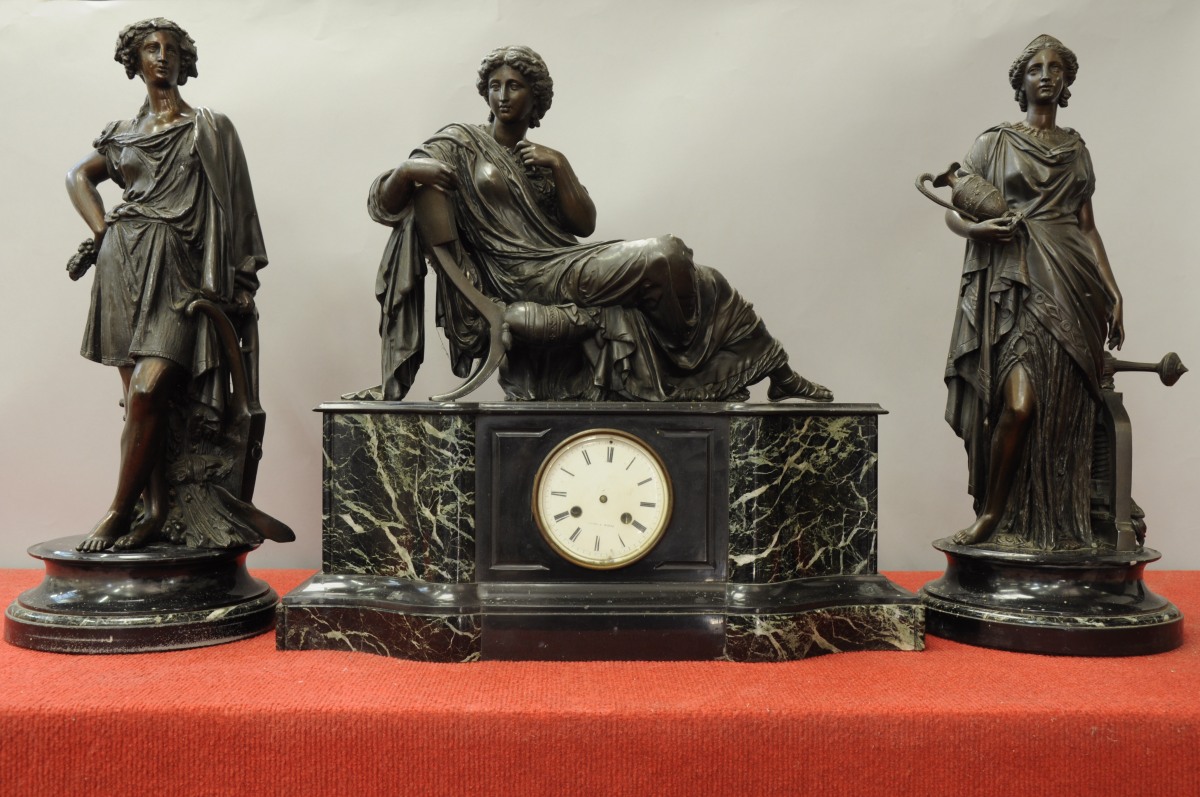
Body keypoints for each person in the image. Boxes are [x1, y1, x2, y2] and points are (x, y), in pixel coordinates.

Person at [369, 45, 832, 403]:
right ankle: (689, 360)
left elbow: (584, 224)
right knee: (667, 253)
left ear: (536, 99)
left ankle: (779, 372)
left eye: (515, 86)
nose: (503, 96)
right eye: (495, 86)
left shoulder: (540, 161)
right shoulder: (459, 143)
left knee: (705, 279)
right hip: (524, 278)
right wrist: (405, 172)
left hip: (560, 262)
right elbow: (382, 206)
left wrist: (560, 166)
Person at [68, 19, 286, 551]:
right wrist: (102, 233)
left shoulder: (209, 127)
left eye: (171, 49)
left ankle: (118, 511)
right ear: (135, 61)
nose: (162, 56)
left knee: (149, 391)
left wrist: (241, 279)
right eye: (151, 48)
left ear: (185, 62)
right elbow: (78, 176)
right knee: (137, 402)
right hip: (123, 264)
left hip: (181, 275)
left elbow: (240, 206)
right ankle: (155, 509)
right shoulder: (122, 134)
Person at [943, 35, 1124, 549]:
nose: (1046, 75)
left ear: (1066, 83)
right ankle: (993, 513)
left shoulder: (1077, 149)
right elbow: (956, 207)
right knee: (1019, 405)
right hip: (1016, 280)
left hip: (1074, 283)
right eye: (1036, 68)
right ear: (1020, 82)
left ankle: (1054, 522)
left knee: (1064, 411)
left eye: (1056, 69)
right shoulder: (994, 142)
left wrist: (1113, 291)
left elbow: (1087, 227)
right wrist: (976, 230)